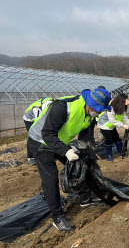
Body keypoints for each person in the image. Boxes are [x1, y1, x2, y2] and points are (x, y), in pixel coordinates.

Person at [27, 88, 111, 231]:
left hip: (60, 140)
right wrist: (66, 152)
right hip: (40, 142)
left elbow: (86, 138)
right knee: (51, 178)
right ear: (89, 105)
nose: (99, 112)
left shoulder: (90, 115)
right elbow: (47, 134)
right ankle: (57, 218)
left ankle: (86, 198)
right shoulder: (62, 107)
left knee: (79, 166)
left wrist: (89, 156)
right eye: (98, 110)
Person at [97, 93, 129, 161]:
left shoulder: (120, 107)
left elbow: (123, 117)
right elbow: (112, 121)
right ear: (120, 102)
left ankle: (121, 152)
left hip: (112, 125)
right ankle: (109, 156)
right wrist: (123, 125)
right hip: (104, 125)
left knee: (117, 138)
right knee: (109, 140)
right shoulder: (111, 107)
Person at [23, 97, 53, 165]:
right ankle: (30, 157)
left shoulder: (53, 104)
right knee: (33, 137)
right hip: (29, 120)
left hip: (37, 118)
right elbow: (38, 123)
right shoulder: (37, 109)